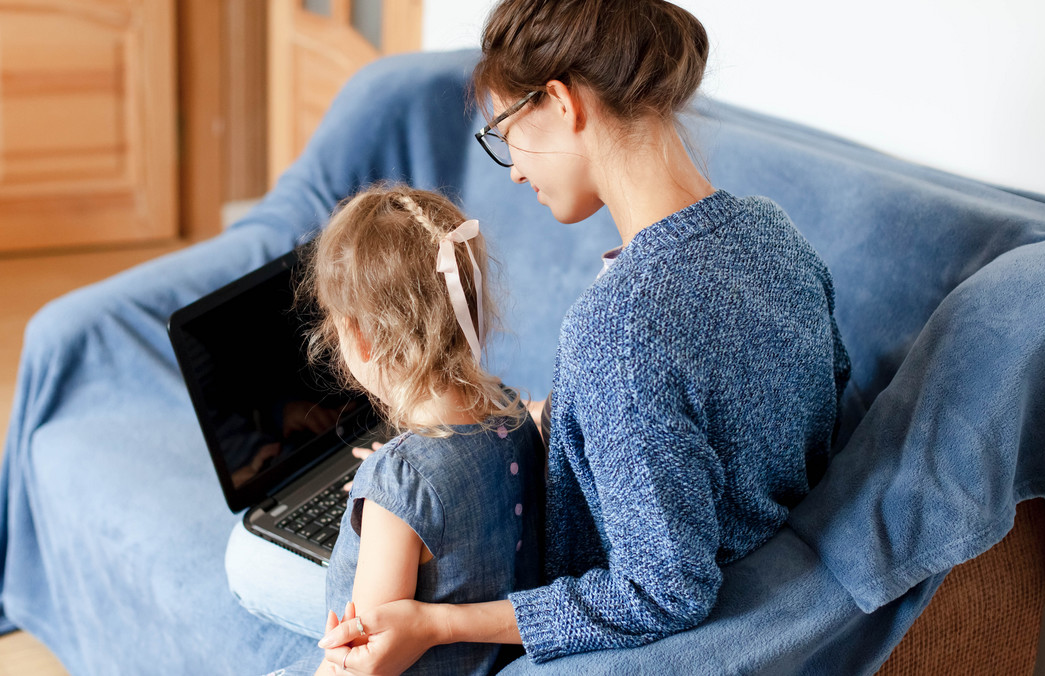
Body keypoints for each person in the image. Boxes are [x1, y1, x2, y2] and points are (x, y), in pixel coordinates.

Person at [316, 0, 852, 672]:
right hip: (759, 558)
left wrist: (433, 624)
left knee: (259, 561)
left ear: (563, 104)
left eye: (504, 129)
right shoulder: (772, 233)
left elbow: (663, 592)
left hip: (538, 590)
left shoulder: (620, 330)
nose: (511, 167)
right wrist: (439, 456)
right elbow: (815, 395)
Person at [260, 184, 545, 676]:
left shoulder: (401, 480)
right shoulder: (512, 413)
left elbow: (363, 659)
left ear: (362, 340)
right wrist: (397, 490)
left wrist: (397, 489)